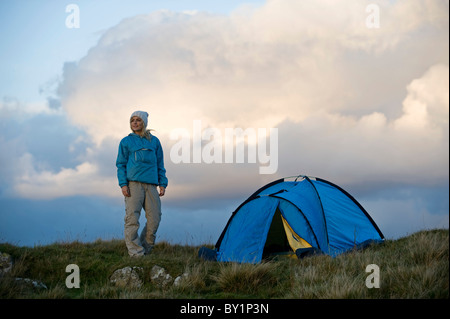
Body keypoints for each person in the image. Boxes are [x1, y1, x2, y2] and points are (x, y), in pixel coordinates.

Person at [116, 110, 168, 257]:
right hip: (133, 185)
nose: (135, 122)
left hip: (151, 186)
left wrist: (162, 183)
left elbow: (160, 164)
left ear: (144, 122)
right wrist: (123, 184)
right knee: (132, 219)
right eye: (132, 120)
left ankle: (145, 249)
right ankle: (136, 253)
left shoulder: (154, 141)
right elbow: (121, 164)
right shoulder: (126, 142)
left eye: (138, 120)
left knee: (155, 219)